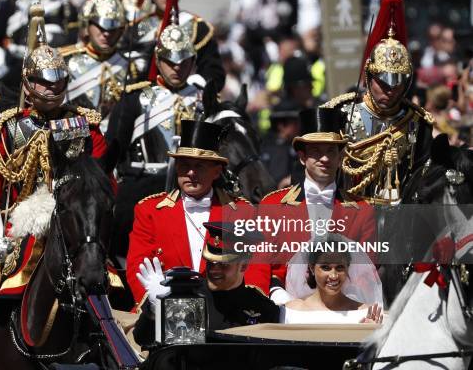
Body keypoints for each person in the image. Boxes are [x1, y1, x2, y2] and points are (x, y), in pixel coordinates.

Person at [0, 10, 108, 369]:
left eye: (59, 81)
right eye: (44, 82)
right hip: (15, 233)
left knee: (111, 288)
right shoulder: (4, 129)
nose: (53, 88)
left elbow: (100, 185)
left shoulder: (86, 126)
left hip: (75, 229)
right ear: (28, 83)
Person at [106, 0, 205, 259]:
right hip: (140, 184)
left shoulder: (201, 98)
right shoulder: (135, 98)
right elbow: (113, 148)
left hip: (190, 187)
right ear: (158, 61)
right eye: (171, 62)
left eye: (185, 62)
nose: (177, 68)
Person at [126, 119, 270, 306]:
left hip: (227, 313)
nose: (191, 173)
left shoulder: (243, 212)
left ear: (217, 172)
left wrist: (244, 305)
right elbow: (136, 266)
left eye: (199, 166)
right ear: (177, 168)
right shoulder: (149, 211)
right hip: (165, 312)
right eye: (185, 165)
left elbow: (257, 268)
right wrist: (155, 299)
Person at [320, 0, 433, 204]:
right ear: (369, 77)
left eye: (397, 83)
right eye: (383, 83)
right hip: (346, 213)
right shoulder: (339, 112)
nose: (390, 90)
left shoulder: (417, 122)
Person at [259, 108, 376, 304]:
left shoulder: (363, 210)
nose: (324, 159)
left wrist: (346, 302)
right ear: (302, 157)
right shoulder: (271, 206)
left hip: (344, 310)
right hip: (283, 310)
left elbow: (366, 270)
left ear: (340, 158)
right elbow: (259, 265)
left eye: (331, 151)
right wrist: (282, 300)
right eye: (316, 152)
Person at [133, 221, 280, 346]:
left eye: (223, 265)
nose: (214, 270)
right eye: (210, 263)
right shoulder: (184, 294)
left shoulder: (263, 308)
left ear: (243, 265)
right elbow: (143, 339)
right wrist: (155, 309)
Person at [0, 0, 78, 104]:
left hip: (50, 79)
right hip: (12, 73)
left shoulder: (68, 7)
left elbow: (72, 44)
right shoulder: (14, 1)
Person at [123, 0, 225, 90]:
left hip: (186, 99)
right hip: (145, 98)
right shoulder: (137, 28)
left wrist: (192, 87)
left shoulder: (198, 27)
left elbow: (214, 72)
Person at [60, 0, 127, 131]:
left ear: (121, 31)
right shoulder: (65, 59)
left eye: (112, 29)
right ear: (88, 26)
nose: (106, 34)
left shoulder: (129, 66)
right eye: (101, 27)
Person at [281, 235, 383, 324]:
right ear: (312, 268)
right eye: (326, 268)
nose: (334, 276)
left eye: (340, 268)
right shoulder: (290, 311)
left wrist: (372, 334)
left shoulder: (365, 313)